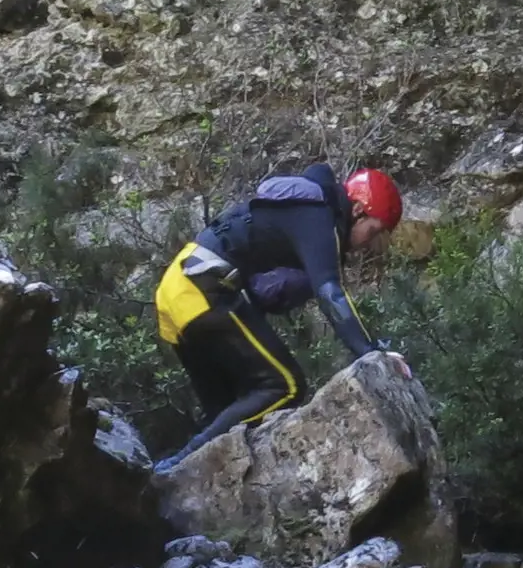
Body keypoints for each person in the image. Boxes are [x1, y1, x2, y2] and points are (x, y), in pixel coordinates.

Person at [153, 164, 403, 455]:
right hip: (203, 287)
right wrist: (370, 351)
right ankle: (179, 462)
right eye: (373, 231)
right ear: (359, 209)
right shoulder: (320, 218)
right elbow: (330, 292)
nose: (368, 244)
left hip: (176, 289)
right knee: (285, 385)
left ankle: (181, 476)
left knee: (229, 410)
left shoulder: (302, 210)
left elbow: (265, 293)